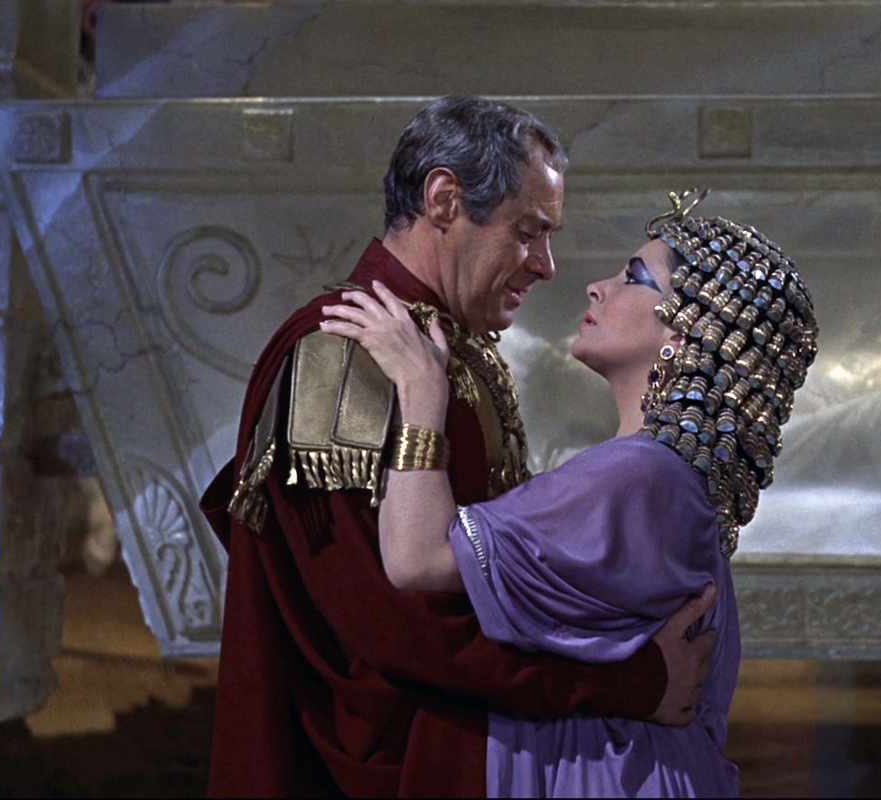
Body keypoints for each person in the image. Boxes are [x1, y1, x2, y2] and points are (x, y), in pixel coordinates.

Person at [199, 97, 717, 797]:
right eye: (528, 233)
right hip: (412, 766)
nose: (547, 266)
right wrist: (625, 683)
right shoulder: (342, 355)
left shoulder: (449, 347)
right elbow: (394, 624)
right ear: (443, 199)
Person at [319, 188, 820, 796]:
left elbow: (416, 559)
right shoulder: (670, 480)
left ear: (691, 332)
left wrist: (422, 392)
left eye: (634, 278)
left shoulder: (638, 474)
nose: (597, 287)